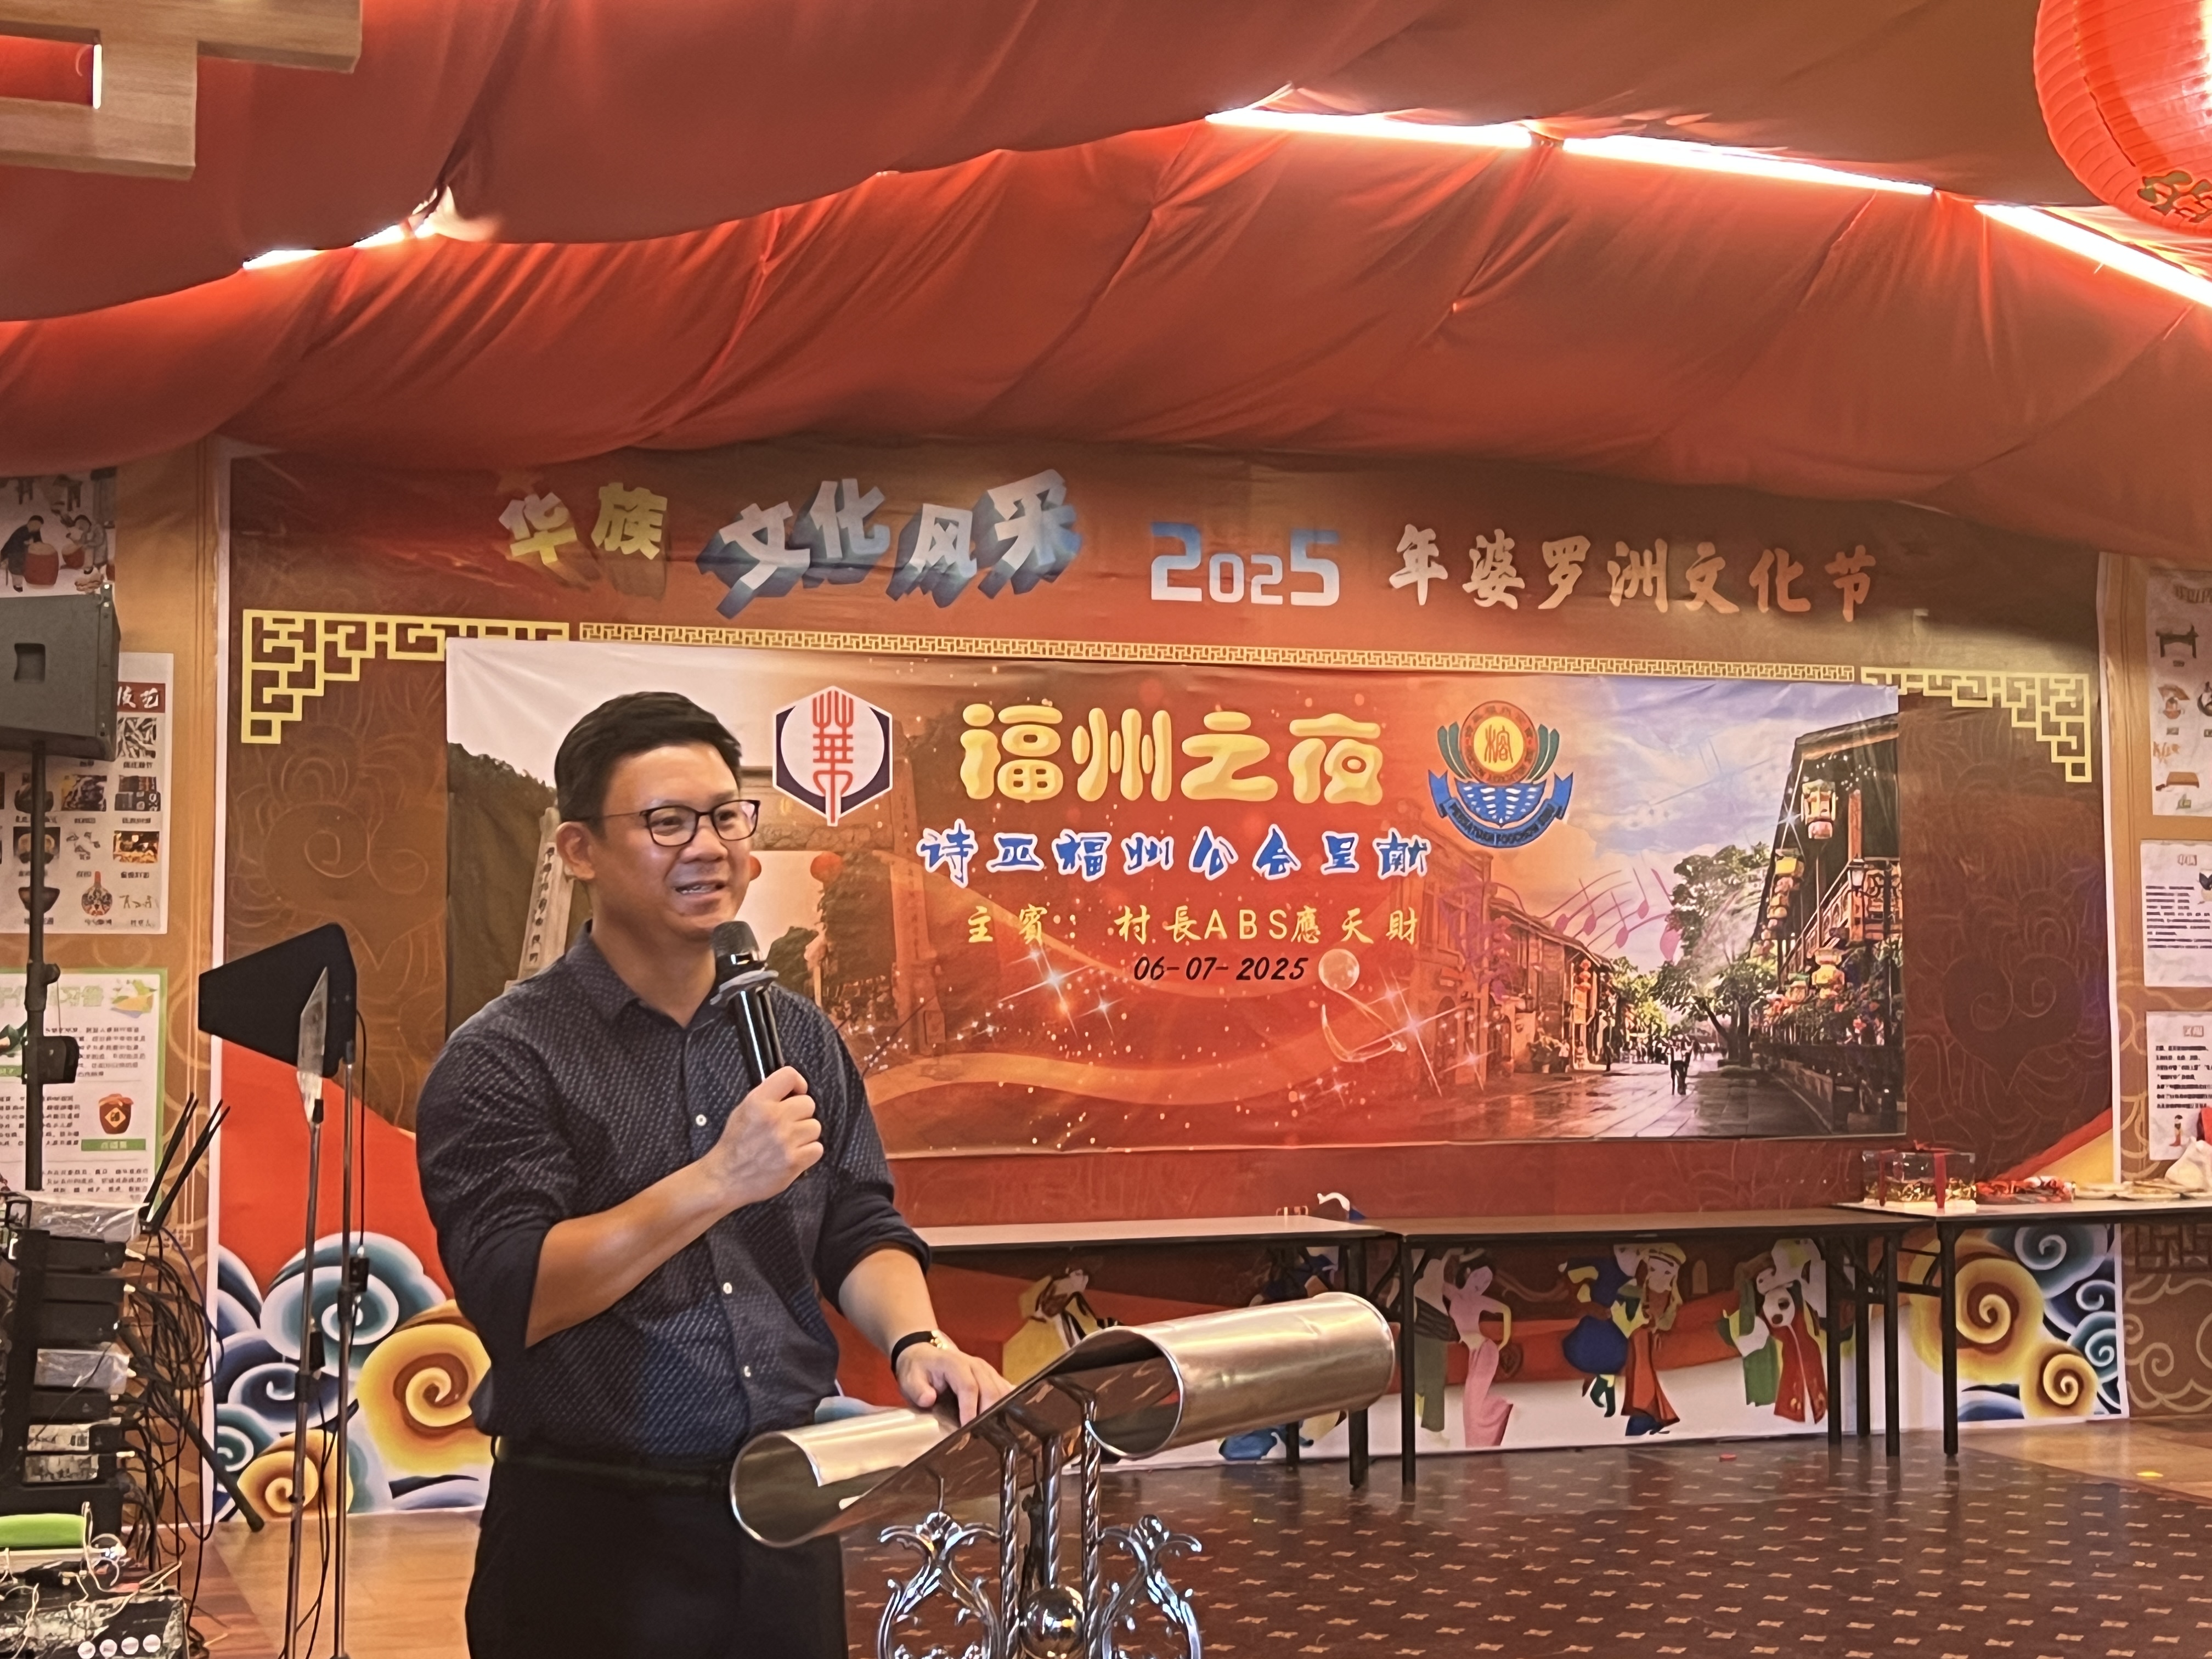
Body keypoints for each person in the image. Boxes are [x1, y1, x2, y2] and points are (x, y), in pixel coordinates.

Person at [417, 691, 1009, 1659]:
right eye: (667, 822)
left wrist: (915, 1338)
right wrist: (718, 1178)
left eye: (727, 816)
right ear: (578, 849)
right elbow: (514, 1291)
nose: (709, 847)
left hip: (784, 1513)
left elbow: (856, 1220)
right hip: (591, 1532)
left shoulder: (794, 1033)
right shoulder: (507, 1056)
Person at [1, 514, 42, 592]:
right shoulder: (21, 531)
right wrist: (26, 544)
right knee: (17, 567)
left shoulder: (35, 531)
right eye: (35, 524)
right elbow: (13, 546)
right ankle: (17, 584)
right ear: (30, 523)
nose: (36, 527)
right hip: (13, 553)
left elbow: (39, 542)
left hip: (25, 554)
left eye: (38, 526)